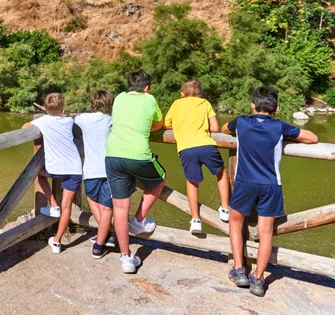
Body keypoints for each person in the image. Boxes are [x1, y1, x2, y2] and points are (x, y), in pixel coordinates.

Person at [222, 87, 317, 297]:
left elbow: (223, 127)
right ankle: (258, 278)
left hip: (245, 183)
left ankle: (239, 270)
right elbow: (312, 138)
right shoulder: (280, 127)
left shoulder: (241, 122)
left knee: (235, 221)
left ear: (252, 105)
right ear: (276, 108)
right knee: (266, 233)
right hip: (271, 185)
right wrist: (288, 137)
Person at [105, 71, 166, 274]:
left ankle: (126, 258)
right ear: (147, 88)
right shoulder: (149, 99)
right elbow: (159, 123)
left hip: (112, 154)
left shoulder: (119, 98)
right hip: (138, 155)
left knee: (120, 207)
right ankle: (139, 220)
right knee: (160, 178)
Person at [164, 80, 230, 234]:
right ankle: (225, 209)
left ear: (182, 94)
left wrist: (181, 126)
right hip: (206, 145)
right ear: (200, 94)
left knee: (192, 182)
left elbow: (166, 124)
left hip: (186, 149)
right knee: (221, 173)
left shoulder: (177, 104)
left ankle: (195, 220)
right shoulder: (205, 103)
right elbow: (215, 127)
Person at [22, 93, 82, 254]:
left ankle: (53, 205)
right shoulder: (69, 121)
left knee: (37, 174)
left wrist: (45, 114)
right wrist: (52, 111)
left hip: (55, 169)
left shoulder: (43, 121)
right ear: (63, 109)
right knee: (67, 206)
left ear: (46, 108)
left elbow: (25, 127)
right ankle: (57, 241)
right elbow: (59, 115)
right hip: (75, 168)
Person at [75, 90, 117, 258]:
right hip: (110, 169)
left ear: (93, 102)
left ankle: (99, 244)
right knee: (107, 208)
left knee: (92, 198)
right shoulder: (112, 120)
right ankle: (107, 236)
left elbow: (68, 120)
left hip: (91, 169)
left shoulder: (83, 119)